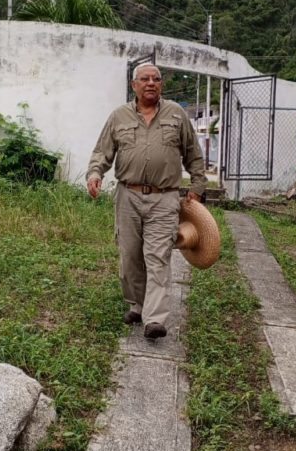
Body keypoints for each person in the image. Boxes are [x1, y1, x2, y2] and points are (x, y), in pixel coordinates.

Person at [86, 62, 207, 340]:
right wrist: (95, 174)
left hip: (165, 198)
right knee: (130, 256)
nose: (151, 83)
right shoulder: (119, 116)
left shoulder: (176, 114)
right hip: (127, 196)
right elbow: (102, 152)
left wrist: (198, 186)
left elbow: (193, 153)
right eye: (145, 79)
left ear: (161, 84)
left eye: (156, 79)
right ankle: (138, 306)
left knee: (157, 257)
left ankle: (154, 319)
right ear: (134, 85)